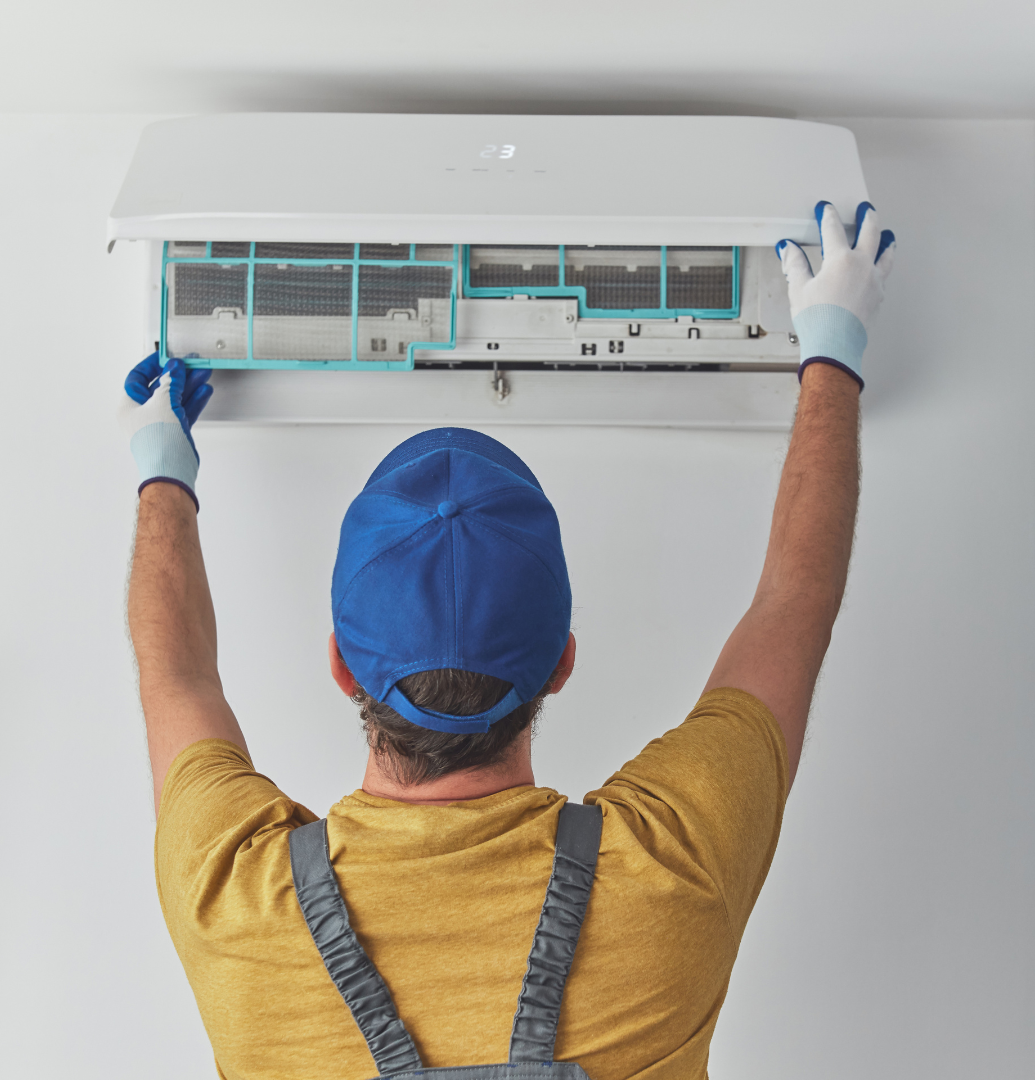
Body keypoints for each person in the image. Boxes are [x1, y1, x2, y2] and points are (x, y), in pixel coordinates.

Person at [123, 201, 895, 1080]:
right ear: (561, 663)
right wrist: (831, 353)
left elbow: (175, 676)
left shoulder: (232, 899)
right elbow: (794, 604)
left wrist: (162, 469)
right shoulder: (672, 865)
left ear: (342, 666)